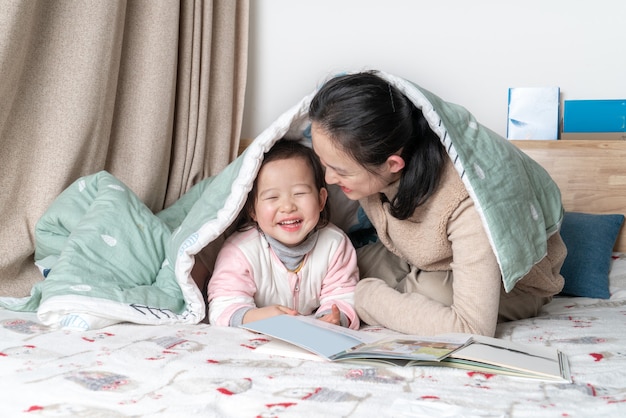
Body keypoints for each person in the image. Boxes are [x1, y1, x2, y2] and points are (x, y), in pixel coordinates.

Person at [308, 71, 566, 337]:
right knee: (327, 268)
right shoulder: (370, 153)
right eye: (323, 163)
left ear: (392, 165)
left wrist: (364, 299)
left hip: (511, 283)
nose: (328, 178)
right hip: (420, 257)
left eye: (341, 171)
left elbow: (473, 328)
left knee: (417, 292)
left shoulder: (467, 202)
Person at [207, 140, 360, 329]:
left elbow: (344, 295)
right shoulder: (240, 251)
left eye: (300, 193)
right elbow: (223, 307)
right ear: (252, 209)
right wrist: (258, 317)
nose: (288, 207)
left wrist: (334, 318)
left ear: (321, 200)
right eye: (272, 197)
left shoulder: (335, 245)